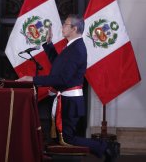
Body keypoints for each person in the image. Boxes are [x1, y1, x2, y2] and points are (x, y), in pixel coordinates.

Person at [17, 14, 119, 161]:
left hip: (70, 102)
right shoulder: (71, 46)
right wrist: (48, 44)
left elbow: (62, 79)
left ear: (74, 28)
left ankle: (106, 147)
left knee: (68, 139)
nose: (62, 27)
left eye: (65, 24)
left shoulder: (76, 49)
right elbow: (58, 66)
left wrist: (32, 79)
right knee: (63, 138)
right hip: (66, 100)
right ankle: (104, 147)